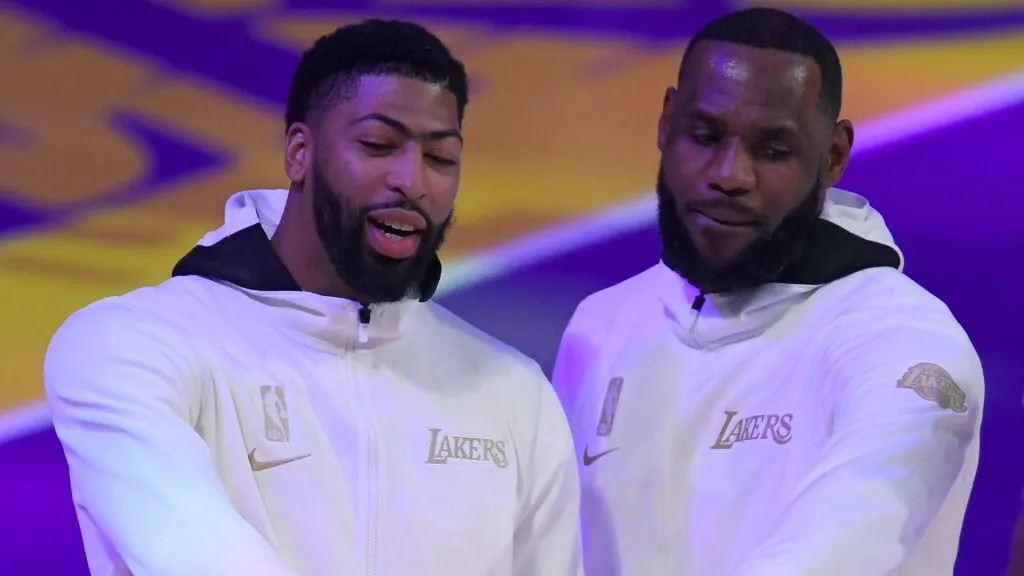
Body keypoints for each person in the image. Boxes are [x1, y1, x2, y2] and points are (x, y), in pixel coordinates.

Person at [44, 19, 581, 576]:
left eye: (441, 158)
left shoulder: (513, 392)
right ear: (299, 152)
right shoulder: (129, 343)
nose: (413, 181)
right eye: (379, 145)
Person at [552, 7, 983, 576]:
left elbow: (846, 542)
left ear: (833, 156)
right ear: (665, 122)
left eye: (773, 150)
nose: (730, 173)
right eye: (704, 136)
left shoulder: (905, 341)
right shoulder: (601, 323)